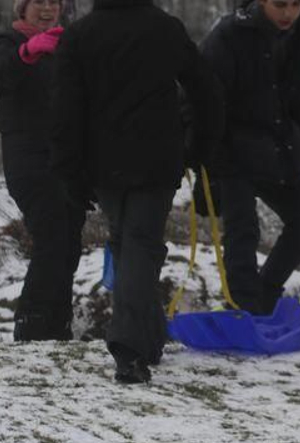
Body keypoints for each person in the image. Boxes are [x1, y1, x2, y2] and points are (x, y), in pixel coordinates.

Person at [52, 0, 223, 383]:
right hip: (157, 159)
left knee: (127, 243)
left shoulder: (79, 36)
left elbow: (64, 110)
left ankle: (146, 338)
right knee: (140, 245)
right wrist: (200, 149)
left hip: (103, 163)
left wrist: (71, 174)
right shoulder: (166, 29)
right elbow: (207, 91)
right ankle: (131, 349)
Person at [203, 0, 300, 318]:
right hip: (232, 148)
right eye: (280, 5)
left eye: (296, 5)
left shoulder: (298, 32)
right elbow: (203, 98)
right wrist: (209, 160)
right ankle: (244, 306)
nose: (288, 13)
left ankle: (264, 297)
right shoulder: (229, 34)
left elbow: (299, 94)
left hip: (278, 146)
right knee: (243, 229)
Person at [0, 0, 85, 342]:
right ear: (22, 8)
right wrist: (26, 53)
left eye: (53, 3)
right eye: (38, 2)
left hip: (67, 159)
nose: (47, 9)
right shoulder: (6, 42)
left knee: (70, 240)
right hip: (28, 159)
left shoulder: (68, 44)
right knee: (52, 235)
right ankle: (31, 325)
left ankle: (59, 326)